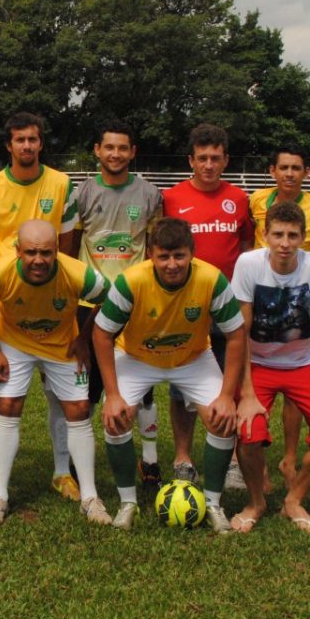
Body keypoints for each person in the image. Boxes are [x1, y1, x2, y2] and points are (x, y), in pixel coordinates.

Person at [93, 218, 247, 532]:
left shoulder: (212, 280)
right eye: (163, 256)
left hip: (192, 358)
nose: (172, 264)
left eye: (179, 255)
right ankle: (128, 503)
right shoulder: (131, 281)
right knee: (117, 417)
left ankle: (213, 504)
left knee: (221, 419)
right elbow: (101, 334)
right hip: (137, 357)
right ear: (150, 254)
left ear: (192, 253)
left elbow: (236, 335)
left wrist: (227, 396)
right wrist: (112, 395)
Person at [0, 220, 111, 526]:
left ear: (57, 251)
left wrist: (84, 339)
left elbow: (106, 299)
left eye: (46, 253)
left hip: (62, 344)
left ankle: (90, 497)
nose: (39, 260)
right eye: (31, 252)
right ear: (17, 251)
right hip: (15, 343)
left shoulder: (79, 274)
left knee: (79, 409)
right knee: (8, 406)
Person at [0, 111, 79, 500]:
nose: (27, 146)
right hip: (7, 299)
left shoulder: (63, 184)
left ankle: (62, 471)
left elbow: (67, 246)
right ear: (9, 145)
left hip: (54, 297)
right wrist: (5, 285)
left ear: (41, 143)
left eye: (33, 139)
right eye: (20, 140)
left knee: (58, 390)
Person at [229, 201, 310, 534]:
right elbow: (241, 330)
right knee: (248, 431)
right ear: (264, 235)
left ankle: (293, 500)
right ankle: (256, 502)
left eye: (292, 236)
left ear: (302, 237)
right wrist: (248, 392)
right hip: (259, 364)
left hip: (303, 364)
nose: (284, 243)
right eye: (278, 234)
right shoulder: (248, 264)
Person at [71, 120, 163, 487]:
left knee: (143, 385)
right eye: (109, 147)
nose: (115, 154)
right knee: (88, 386)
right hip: (89, 301)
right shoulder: (81, 193)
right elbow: (70, 245)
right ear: (97, 150)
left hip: (135, 300)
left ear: (133, 152)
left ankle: (151, 459)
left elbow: (156, 246)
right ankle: (81, 461)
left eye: (123, 148)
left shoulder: (150, 195)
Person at [160, 123, 253, 487]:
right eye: (202, 158)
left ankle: (231, 459)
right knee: (182, 384)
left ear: (226, 160)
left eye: (216, 158)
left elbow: (245, 249)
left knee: (230, 383)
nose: (209, 165)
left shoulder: (240, 199)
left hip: (227, 307)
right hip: (185, 306)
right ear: (191, 160)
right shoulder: (171, 198)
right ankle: (183, 456)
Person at [248, 146, 310, 487]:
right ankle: (259, 459)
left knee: (295, 379)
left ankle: (289, 456)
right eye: (284, 167)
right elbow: (250, 246)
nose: (290, 173)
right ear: (273, 171)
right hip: (266, 296)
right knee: (271, 375)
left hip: (304, 300)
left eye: (297, 168)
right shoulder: (257, 202)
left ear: (307, 173)